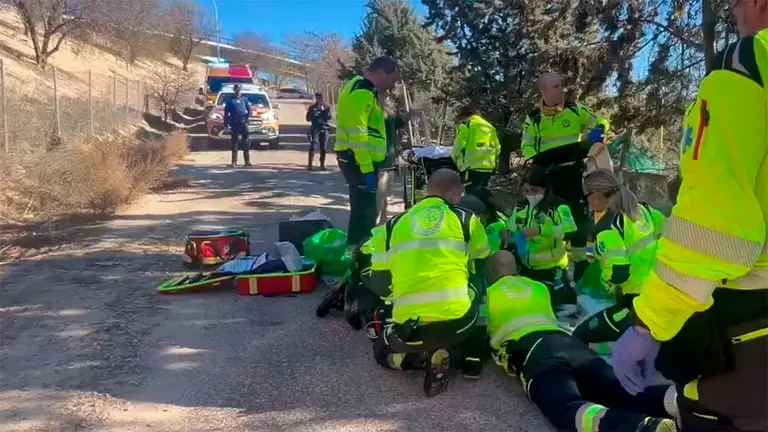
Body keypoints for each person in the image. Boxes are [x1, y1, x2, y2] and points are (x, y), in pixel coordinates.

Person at [611, 5, 768, 431]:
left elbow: (714, 225)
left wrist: (648, 325)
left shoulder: (750, 65)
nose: (733, 10)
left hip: (750, 317)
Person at [485, 250, 678, 432]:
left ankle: (639, 427)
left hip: (535, 351)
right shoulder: (539, 287)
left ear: (490, 272)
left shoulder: (489, 295)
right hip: (570, 344)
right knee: (620, 391)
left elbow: (476, 337)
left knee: (565, 407)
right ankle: (681, 400)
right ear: (517, 268)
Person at [367, 169, 491, 396]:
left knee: (381, 354)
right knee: (481, 288)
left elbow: (380, 284)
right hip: (458, 325)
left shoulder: (392, 226)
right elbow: (480, 267)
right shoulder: (467, 220)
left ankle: (416, 360)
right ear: (455, 193)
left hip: (410, 331)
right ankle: (472, 361)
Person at [521, 72, 611, 283]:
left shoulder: (574, 109)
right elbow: (526, 145)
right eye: (556, 86)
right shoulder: (533, 118)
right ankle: (556, 266)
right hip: (548, 176)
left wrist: (599, 129)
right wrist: (535, 162)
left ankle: (580, 267)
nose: (562, 90)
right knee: (553, 218)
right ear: (543, 91)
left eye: (562, 85)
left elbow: (601, 120)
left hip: (573, 173)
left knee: (579, 219)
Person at [572, 169, 666, 344]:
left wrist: (606, 280)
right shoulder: (645, 210)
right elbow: (667, 235)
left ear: (597, 196)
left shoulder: (608, 228)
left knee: (580, 335)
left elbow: (619, 273)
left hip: (635, 302)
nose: (588, 203)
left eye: (586, 197)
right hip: (660, 291)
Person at [335, 56, 401, 249]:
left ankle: (357, 255)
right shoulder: (362, 92)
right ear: (381, 73)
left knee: (362, 212)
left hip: (357, 159)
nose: (391, 86)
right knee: (365, 215)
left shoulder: (360, 87)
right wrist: (367, 170)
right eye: (392, 80)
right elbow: (359, 134)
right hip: (358, 161)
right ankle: (362, 259)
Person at [501, 165, 578, 309]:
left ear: (544, 188)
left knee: (554, 308)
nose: (530, 194)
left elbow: (571, 229)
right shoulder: (520, 207)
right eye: (527, 191)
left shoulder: (557, 206)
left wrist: (541, 231)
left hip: (551, 269)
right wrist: (508, 233)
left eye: (534, 190)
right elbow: (512, 228)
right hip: (526, 269)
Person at [451, 105, 501, 198]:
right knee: (483, 193)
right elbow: (497, 149)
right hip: (488, 167)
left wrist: (458, 162)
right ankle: (485, 210)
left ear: (465, 115)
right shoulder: (490, 127)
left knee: (471, 195)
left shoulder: (467, 125)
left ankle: (474, 211)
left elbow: (458, 147)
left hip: (471, 167)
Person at [224, 84, 252, 167]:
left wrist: (246, 119)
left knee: (246, 142)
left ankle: (247, 161)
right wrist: (225, 124)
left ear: (241, 90)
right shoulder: (230, 100)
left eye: (239, 90)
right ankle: (234, 162)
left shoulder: (245, 99)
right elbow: (226, 113)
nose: (238, 91)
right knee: (234, 143)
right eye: (236, 90)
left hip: (243, 123)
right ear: (234, 90)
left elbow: (249, 110)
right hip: (234, 123)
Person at [306, 92, 332, 171]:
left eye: (320, 98)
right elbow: (307, 119)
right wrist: (313, 112)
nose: (319, 99)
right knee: (313, 146)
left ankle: (322, 165)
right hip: (315, 129)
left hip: (324, 129)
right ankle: (310, 164)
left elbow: (329, 117)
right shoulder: (312, 107)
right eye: (317, 98)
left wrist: (323, 110)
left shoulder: (326, 107)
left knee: (323, 148)